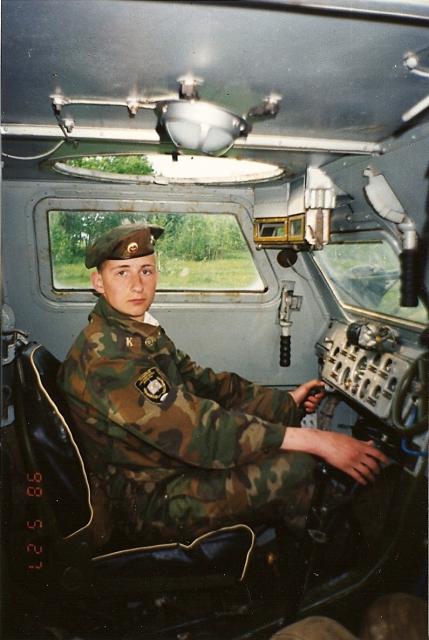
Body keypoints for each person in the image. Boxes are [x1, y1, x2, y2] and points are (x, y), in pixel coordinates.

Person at [58, 223, 388, 546]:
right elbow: (198, 432)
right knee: (297, 467)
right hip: (146, 501)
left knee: (283, 440)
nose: (137, 285)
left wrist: (284, 403)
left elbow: (209, 385)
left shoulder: (136, 332)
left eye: (146, 271)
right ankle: (326, 562)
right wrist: (316, 441)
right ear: (98, 282)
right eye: (122, 273)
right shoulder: (108, 358)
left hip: (165, 466)